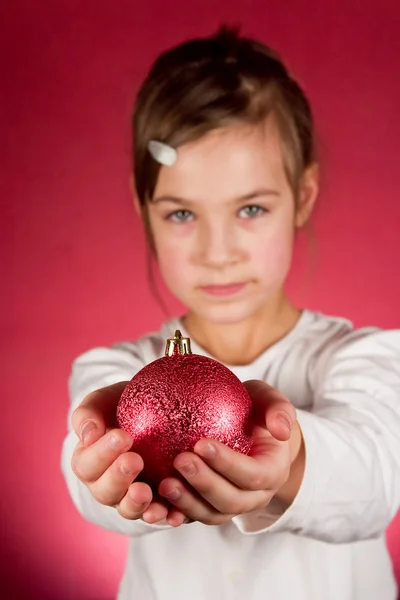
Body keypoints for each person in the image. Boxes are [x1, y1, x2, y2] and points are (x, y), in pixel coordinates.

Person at [61, 26, 400, 600]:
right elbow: (83, 476)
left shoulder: (365, 357)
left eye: (250, 208)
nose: (217, 252)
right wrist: (107, 469)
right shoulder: (115, 369)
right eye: (181, 215)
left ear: (304, 196)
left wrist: (288, 462)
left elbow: (374, 480)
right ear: (145, 211)